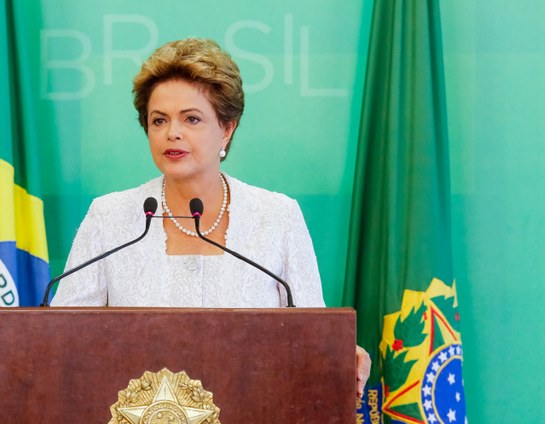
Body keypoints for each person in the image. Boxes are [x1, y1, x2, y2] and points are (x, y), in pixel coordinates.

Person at [49, 38, 371, 395]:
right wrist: (13, 349)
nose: (172, 132)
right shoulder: (110, 217)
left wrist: (343, 354)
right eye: (159, 120)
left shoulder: (277, 217)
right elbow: (64, 337)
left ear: (227, 128)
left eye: (191, 118)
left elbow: (312, 336)